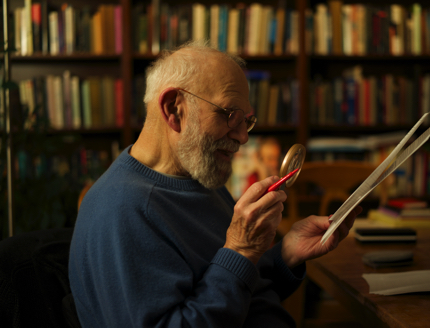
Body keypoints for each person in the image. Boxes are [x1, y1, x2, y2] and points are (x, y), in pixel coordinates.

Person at [69, 40, 361, 328]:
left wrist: (284, 255)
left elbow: (236, 293)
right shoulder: (122, 211)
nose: (243, 137)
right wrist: (241, 250)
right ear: (174, 110)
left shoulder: (200, 175)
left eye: (246, 120)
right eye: (229, 115)